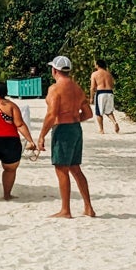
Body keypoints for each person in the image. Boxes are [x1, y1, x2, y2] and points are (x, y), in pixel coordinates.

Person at [37, 55, 95, 218]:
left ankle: (65, 210)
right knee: (75, 168)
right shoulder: (77, 88)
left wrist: (42, 136)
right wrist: (74, 119)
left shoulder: (55, 89)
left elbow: (51, 114)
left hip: (62, 130)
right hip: (76, 129)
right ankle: (88, 207)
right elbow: (88, 113)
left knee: (61, 169)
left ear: (54, 70)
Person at [91, 62, 121, 135]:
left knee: (99, 112)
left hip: (100, 92)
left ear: (97, 65)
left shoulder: (94, 74)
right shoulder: (109, 74)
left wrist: (91, 97)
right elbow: (112, 85)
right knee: (109, 110)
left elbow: (92, 87)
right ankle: (114, 122)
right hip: (109, 92)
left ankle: (101, 130)